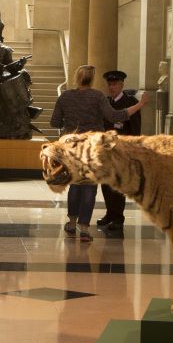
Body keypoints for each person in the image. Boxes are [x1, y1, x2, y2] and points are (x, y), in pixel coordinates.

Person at [49, 64, 148, 241]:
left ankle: (72, 223)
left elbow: (54, 122)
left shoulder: (65, 96)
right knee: (89, 188)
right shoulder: (98, 97)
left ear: (77, 78)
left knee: (74, 185)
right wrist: (140, 104)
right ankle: (85, 228)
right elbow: (116, 117)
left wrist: (69, 123)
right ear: (92, 79)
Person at [96, 69, 142, 229]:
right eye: (110, 84)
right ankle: (109, 213)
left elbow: (135, 129)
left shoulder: (130, 103)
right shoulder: (106, 102)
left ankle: (118, 217)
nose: (112, 87)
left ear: (121, 85)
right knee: (106, 184)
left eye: (115, 84)